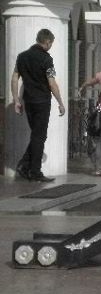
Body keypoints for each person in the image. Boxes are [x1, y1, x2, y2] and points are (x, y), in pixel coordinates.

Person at [11, 28, 65, 182]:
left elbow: (14, 79)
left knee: (37, 135)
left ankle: (25, 165)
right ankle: (34, 171)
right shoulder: (47, 59)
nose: (51, 46)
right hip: (42, 102)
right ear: (47, 42)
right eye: (51, 43)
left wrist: (16, 100)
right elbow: (52, 83)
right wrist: (60, 102)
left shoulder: (22, 57)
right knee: (39, 136)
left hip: (28, 101)